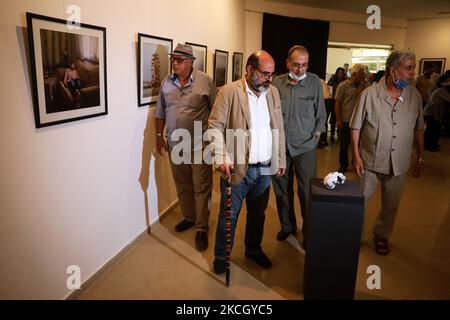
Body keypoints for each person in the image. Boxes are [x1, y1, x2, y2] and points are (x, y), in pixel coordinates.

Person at [208, 50, 286, 274]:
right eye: (265, 74)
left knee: (257, 215)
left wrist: (280, 158)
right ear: (249, 70)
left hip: (264, 169)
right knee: (228, 217)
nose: (269, 79)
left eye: (272, 74)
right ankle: (222, 257)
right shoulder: (230, 92)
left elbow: (278, 128)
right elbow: (214, 126)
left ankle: (253, 249)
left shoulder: (272, 93)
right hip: (238, 170)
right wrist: (221, 156)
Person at [350, 50, 425, 255]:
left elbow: (419, 128)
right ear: (393, 70)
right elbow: (355, 127)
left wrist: (420, 156)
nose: (413, 73)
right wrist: (356, 156)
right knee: (360, 202)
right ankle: (354, 235)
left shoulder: (414, 96)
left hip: (399, 162)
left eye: (413, 68)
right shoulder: (369, 95)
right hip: (369, 161)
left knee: (391, 204)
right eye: (409, 68)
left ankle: (381, 235)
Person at [154, 43, 216, 251]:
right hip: (175, 144)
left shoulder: (205, 81)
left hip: (200, 144)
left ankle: (202, 227)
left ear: (190, 63)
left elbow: (215, 113)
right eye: (173, 59)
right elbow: (160, 111)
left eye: (179, 60)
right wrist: (158, 135)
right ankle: (189, 217)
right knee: (183, 184)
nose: (175, 63)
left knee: (202, 187)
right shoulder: (166, 82)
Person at [271, 45, 326, 245]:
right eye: (296, 65)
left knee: (307, 192)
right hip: (280, 148)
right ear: (287, 63)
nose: (300, 69)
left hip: (305, 147)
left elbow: (321, 114)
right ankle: (287, 226)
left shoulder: (314, 83)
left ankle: (309, 232)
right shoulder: (276, 83)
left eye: (304, 65)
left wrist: (316, 135)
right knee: (282, 191)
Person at [335, 63, 369, 173]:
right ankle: (343, 164)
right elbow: (338, 103)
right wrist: (338, 120)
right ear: (354, 74)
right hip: (346, 120)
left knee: (358, 145)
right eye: (361, 74)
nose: (363, 77)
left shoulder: (366, 86)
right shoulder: (343, 86)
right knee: (344, 145)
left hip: (360, 122)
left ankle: (356, 162)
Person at [423, 73, 450, 151]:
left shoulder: (443, 91)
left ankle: (433, 144)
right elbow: (436, 106)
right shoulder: (442, 91)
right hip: (430, 113)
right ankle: (429, 146)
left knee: (435, 130)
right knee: (431, 130)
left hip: (433, 112)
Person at [325, 67, 347, 144]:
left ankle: (338, 134)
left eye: (341, 73)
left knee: (338, 118)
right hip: (331, 101)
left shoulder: (345, 81)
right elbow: (328, 89)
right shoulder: (332, 80)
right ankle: (331, 134)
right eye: (339, 73)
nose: (340, 74)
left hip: (341, 102)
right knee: (332, 119)